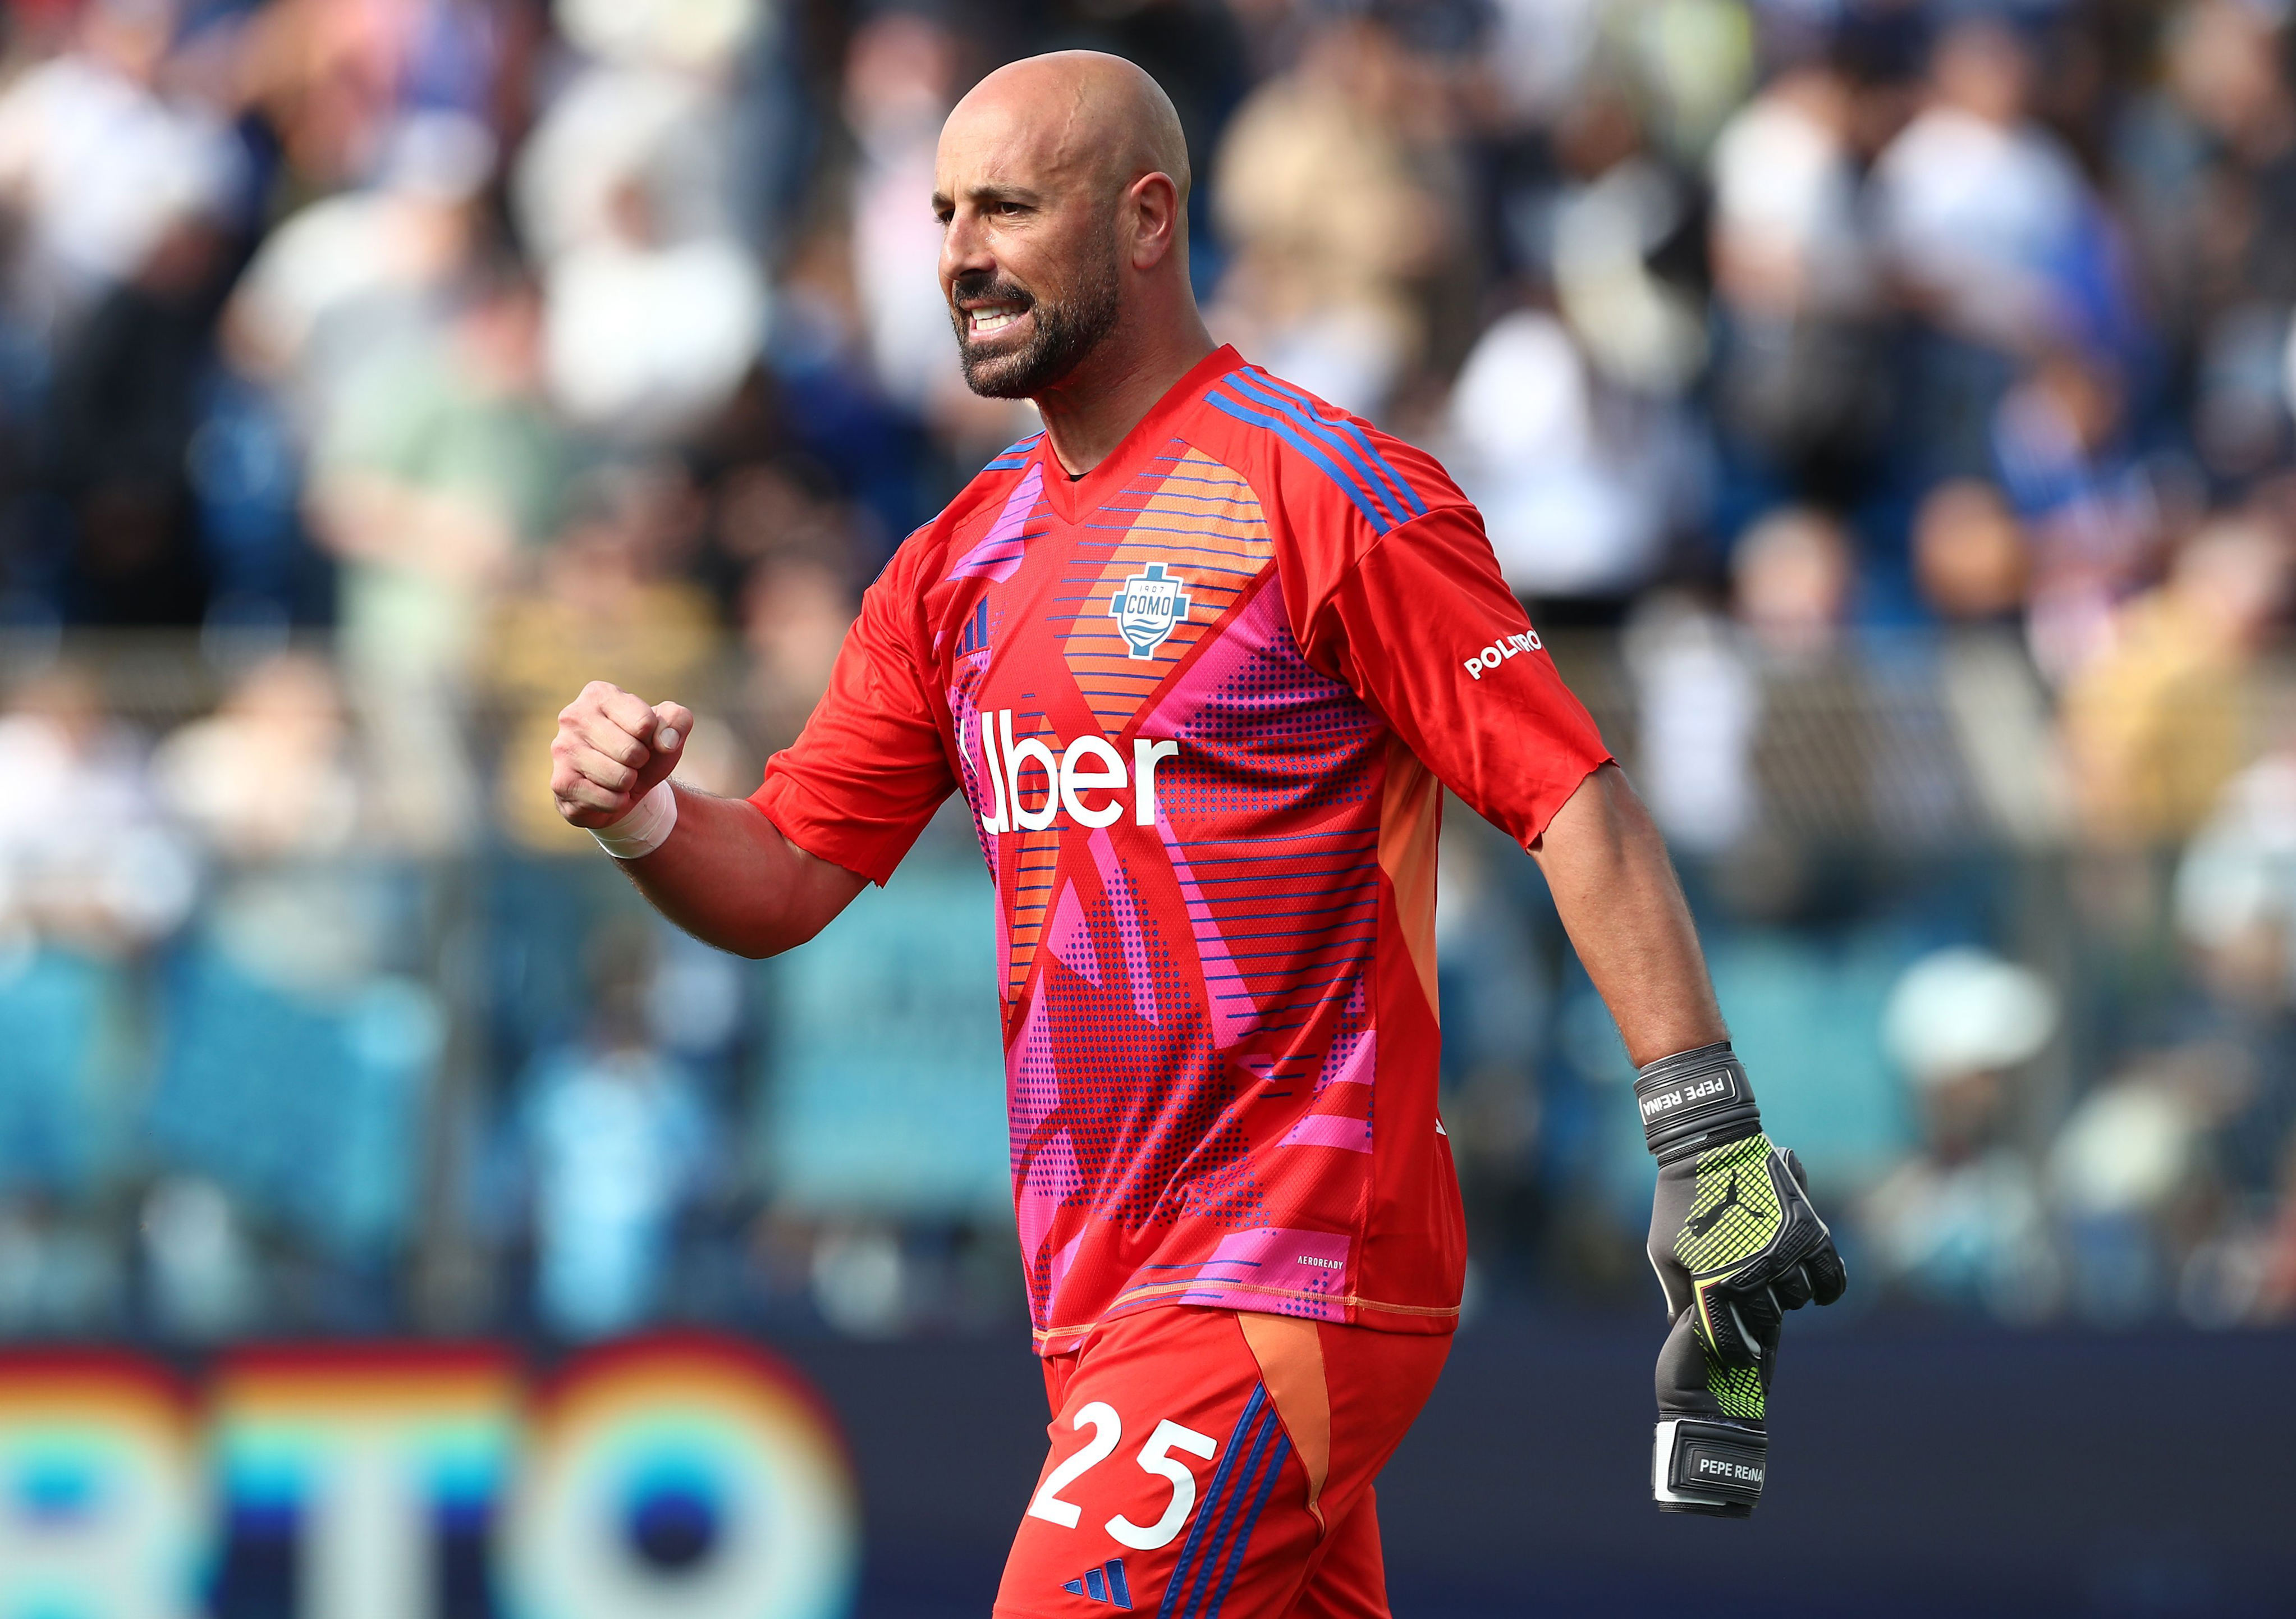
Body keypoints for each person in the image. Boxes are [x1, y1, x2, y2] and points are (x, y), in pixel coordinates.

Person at [547, 52, 1846, 1614]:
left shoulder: (1327, 492)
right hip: (1098, 1296)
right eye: (944, 213)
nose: (959, 254)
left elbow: (1571, 796)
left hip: (1287, 1261)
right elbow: (782, 877)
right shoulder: (953, 565)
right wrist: (642, 816)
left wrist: (1705, 1135)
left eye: (1008, 209)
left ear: (1146, 218)